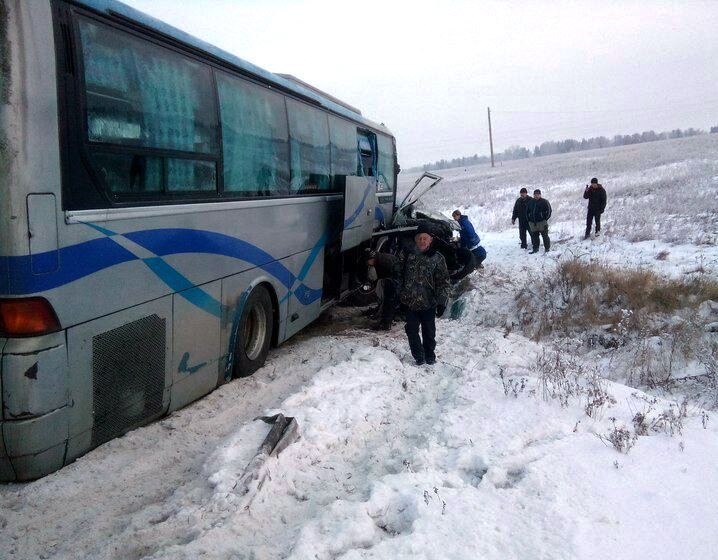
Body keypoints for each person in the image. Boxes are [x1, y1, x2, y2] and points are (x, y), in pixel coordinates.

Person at [398, 223, 451, 366]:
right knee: (411, 330)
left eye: (425, 238)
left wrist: (442, 302)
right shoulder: (407, 255)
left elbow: (444, 282)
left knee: (429, 332)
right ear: (415, 239)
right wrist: (399, 296)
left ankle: (429, 355)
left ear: (430, 240)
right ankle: (418, 356)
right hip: (410, 302)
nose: (422, 241)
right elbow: (398, 275)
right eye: (419, 238)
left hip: (429, 302)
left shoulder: (437, 258)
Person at [366, 250, 399, 331]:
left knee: (389, 301)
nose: (367, 264)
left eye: (367, 261)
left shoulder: (383, 263)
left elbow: (392, 276)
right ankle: (385, 318)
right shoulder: (378, 259)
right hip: (393, 278)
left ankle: (385, 324)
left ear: (371, 259)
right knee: (388, 300)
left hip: (395, 279)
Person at [526, 189, 552, 254]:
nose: (536, 196)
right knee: (535, 237)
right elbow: (527, 212)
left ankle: (547, 249)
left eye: (538, 194)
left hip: (542, 222)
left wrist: (544, 218)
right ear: (533, 195)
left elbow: (549, 211)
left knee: (545, 236)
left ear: (540, 195)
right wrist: (529, 220)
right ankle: (535, 249)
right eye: (535, 194)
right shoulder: (530, 202)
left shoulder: (544, 201)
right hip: (533, 223)